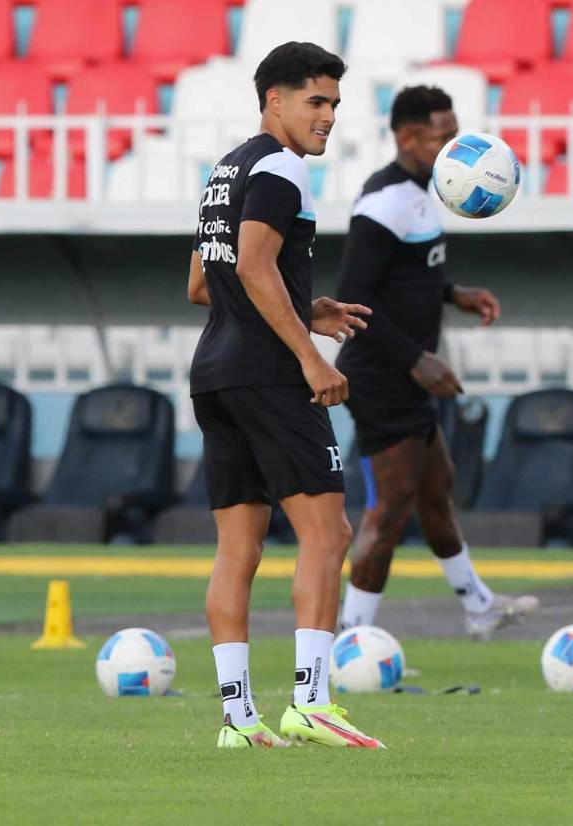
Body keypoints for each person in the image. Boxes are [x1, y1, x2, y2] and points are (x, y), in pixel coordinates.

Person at [188, 42, 382, 749]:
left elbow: (204, 284)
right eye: (316, 102)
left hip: (214, 371)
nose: (328, 117)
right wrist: (310, 356)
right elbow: (254, 264)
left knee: (238, 547)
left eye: (334, 103)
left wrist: (309, 306)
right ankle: (312, 700)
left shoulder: (227, 169)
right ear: (275, 99)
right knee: (328, 535)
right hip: (269, 375)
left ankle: (239, 720)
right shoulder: (280, 166)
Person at [334, 86, 538, 640]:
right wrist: (417, 359)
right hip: (381, 374)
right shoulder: (384, 201)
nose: (455, 146)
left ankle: (478, 606)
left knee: (436, 486)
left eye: (456, 132)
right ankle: (350, 639)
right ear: (406, 137)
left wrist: (454, 294)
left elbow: (406, 275)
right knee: (392, 506)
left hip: (405, 372)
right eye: (443, 136)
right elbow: (352, 295)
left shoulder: (427, 192)